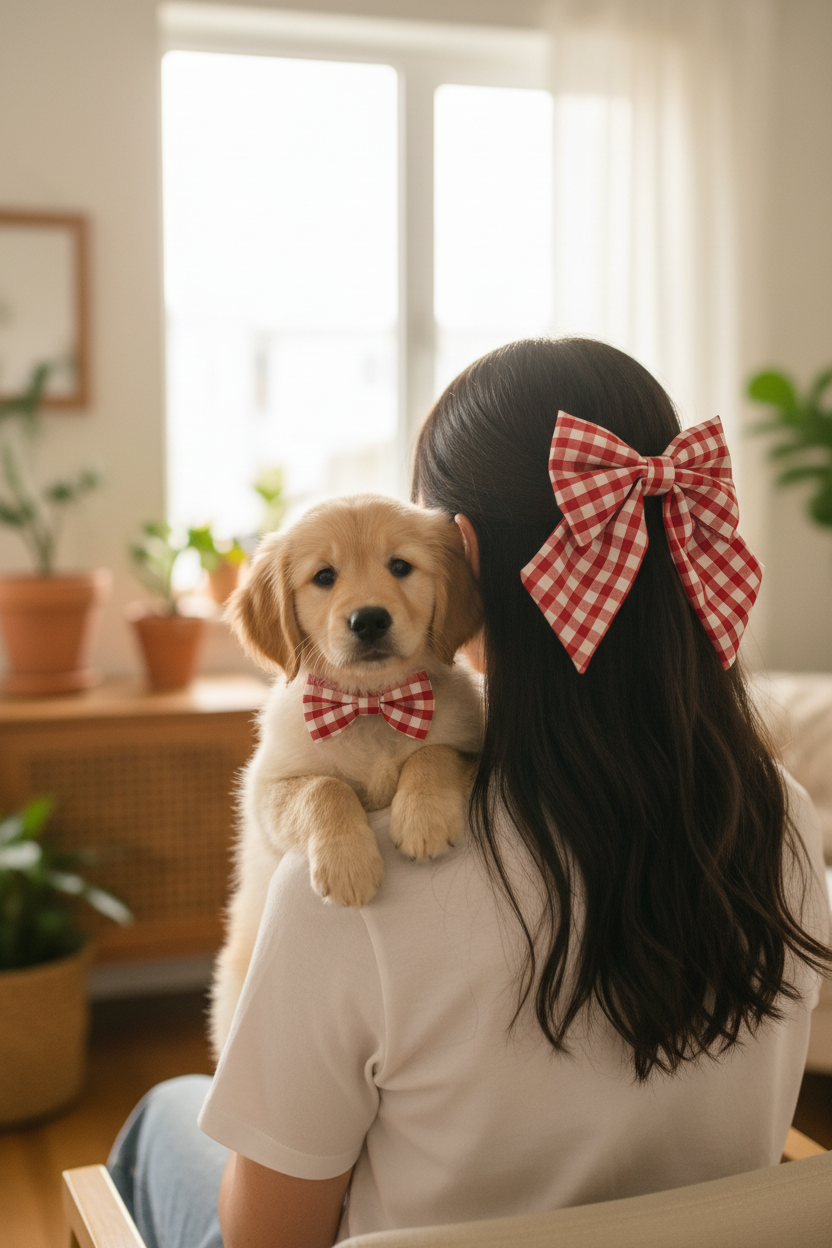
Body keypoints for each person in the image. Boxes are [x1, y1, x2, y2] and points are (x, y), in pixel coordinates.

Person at [109, 337, 830, 1248]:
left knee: (162, 1119)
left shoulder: (349, 889)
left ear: (470, 558)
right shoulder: (779, 820)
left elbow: (268, 1240)